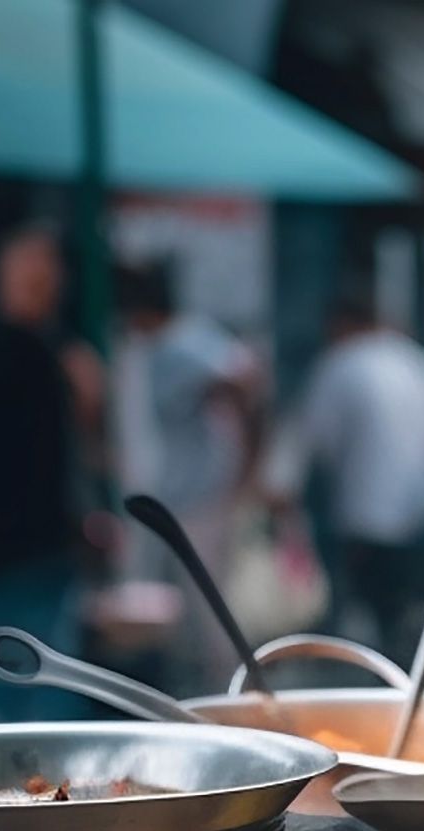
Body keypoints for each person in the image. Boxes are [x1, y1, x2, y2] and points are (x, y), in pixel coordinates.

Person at [0, 225, 101, 713]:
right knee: (22, 678)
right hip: (8, 548)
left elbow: (75, 450)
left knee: (43, 677)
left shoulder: (55, 357)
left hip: (40, 545)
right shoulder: (2, 358)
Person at [263, 286, 424, 662]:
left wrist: (278, 491)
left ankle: (389, 685)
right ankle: (421, 677)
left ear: (341, 324)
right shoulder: (419, 362)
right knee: (419, 615)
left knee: (377, 614)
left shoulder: (339, 364)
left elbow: (305, 439)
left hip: (365, 515)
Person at [116, 261, 259, 687]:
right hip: (180, 494)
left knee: (211, 610)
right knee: (183, 612)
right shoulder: (174, 343)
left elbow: (247, 384)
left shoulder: (182, 343)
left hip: (200, 495)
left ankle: (236, 698)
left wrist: (248, 467)